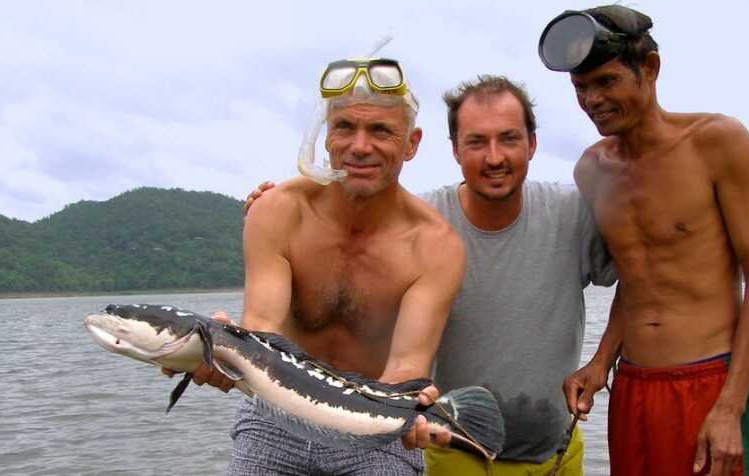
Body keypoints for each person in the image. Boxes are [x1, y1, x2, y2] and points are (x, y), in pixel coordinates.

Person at [246, 75, 616, 475]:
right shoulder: (417, 225)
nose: (494, 158)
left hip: (554, 452)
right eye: (476, 142)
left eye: (508, 139)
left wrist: (601, 362)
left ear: (533, 144)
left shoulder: (572, 213)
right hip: (453, 449)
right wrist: (270, 213)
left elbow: (651, 269)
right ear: (455, 150)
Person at [540, 6, 749, 476]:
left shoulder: (716, 141)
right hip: (632, 387)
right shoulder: (592, 170)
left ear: (649, 69)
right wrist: (600, 362)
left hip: (711, 381)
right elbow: (636, 275)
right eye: (580, 89)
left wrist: (731, 406)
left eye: (606, 82)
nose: (592, 100)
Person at [224, 56, 465, 475]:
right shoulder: (278, 212)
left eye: (380, 131)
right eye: (345, 127)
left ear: (411, 142)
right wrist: (219, 353)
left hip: (375, 426)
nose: (359, 146)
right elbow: (261, 331)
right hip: (273, 418)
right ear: (325, 136)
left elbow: (406, 366)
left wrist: (409, 414)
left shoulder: (434, 246)